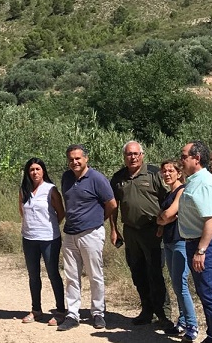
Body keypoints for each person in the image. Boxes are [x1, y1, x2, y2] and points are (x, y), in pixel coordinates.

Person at [109, 141, 171, 328]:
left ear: (142, 155)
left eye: (136, 154)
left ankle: (164, 314)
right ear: (124, 156)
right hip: (130, 232)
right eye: (129, 154)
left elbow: (168, 200)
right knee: (137, 272)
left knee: (155, 272)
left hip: (153, 231)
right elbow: (113, 206)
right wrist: (113, 229)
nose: (133, 157)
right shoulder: (118, 177)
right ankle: (147, 311)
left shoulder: (154, 174)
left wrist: (163, 224)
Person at [57, 144, 117, 331]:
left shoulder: (97, 178)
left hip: (91, 233)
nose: (74, 162)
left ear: (86, 159)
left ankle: (98, 312)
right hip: (70, 233)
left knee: (95, 275)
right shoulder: (66, 177)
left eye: (78, 158)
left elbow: (112, 204)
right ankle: (72, 313)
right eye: (71, 159)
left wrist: (98, 220)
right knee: (71, 276)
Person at [179, 141, 212, 343]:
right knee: (205, 293)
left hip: (207, 245)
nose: (181, 160)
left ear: (196, 158)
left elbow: (211, 219)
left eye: (184, 156)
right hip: (195, 242)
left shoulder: (205, 183)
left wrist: (201, 250)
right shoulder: (193, 180)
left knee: (210, 294)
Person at [19, 158, 66, 326]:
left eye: (38, 169)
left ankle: (60, 311)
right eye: (31, 169)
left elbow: (61, 213)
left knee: (53, 273)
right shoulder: (24, 190)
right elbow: (22, 212)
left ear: (43, 171)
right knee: (33, 275)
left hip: (49, 239)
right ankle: (36, 310)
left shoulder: (51, 190)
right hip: (29, 238)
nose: (35, 172)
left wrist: (50, 226)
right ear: (28, 172)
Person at [156, 159, 198, 341]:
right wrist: (164, 219)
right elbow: (164, 218)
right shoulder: (169, 193)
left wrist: (164, 218)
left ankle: (192, 325)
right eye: (164, 171)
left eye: (171, 170)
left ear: (179, 173)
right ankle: (182, 321)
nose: (167, 174)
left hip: (181, 241)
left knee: (180, 284)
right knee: (175, 283)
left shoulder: (182, 190)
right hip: (170, 241)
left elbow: (166, 214)